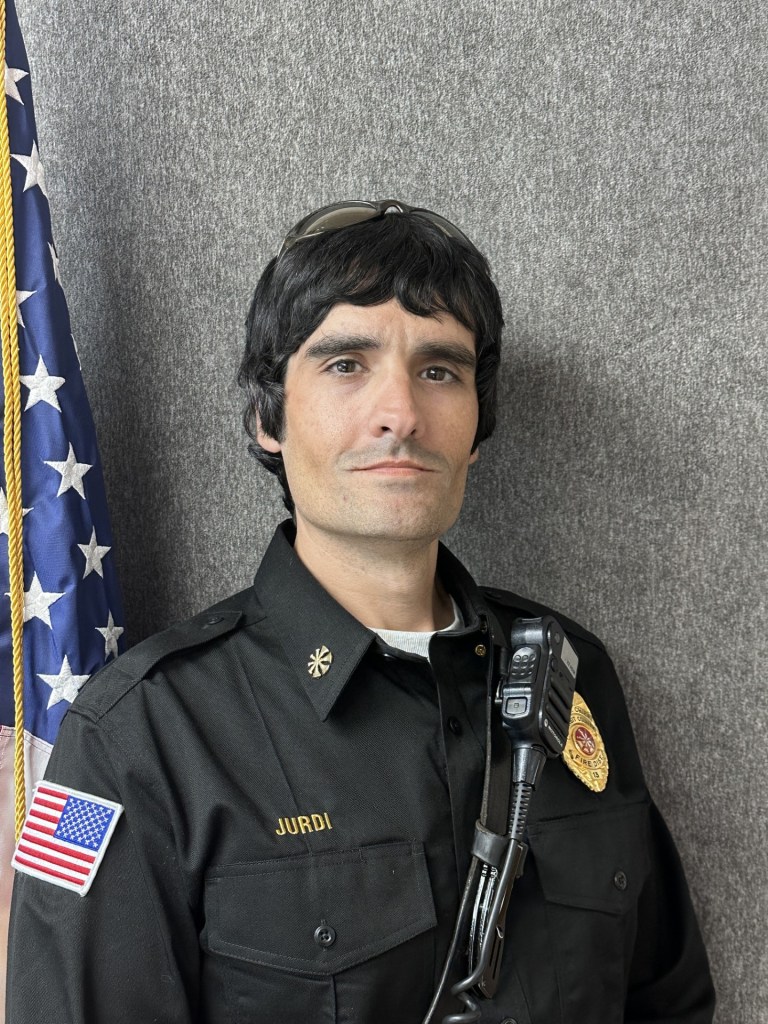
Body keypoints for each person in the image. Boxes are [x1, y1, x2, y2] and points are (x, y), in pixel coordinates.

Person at [6, 200, 715, 1024]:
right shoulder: (137, 736)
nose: (401, 414)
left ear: (477, 427)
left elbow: (669, 1000)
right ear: (267, 418)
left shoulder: (573, 674)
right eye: (346, 364)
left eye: (440, 370)